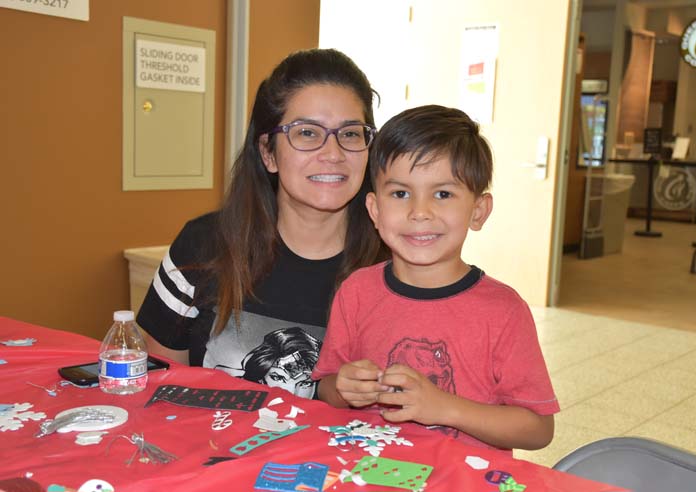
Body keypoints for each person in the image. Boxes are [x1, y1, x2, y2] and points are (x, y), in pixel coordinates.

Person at [136, 48, 386, 398]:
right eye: (307, 133)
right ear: (268, 152)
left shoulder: (395, 265)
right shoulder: (202, 245)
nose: (333, 154)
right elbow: (159, 384)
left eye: (350, 134)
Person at [313, 105, 559, 451]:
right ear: (374, 210)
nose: (420, 212)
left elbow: (537, 429)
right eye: (400, 194)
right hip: (366, 473)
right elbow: (325, 387)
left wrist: (444, 408)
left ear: (478, 211)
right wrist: (343, 387)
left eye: (443, 194)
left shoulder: (504, 310)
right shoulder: (356, 291)